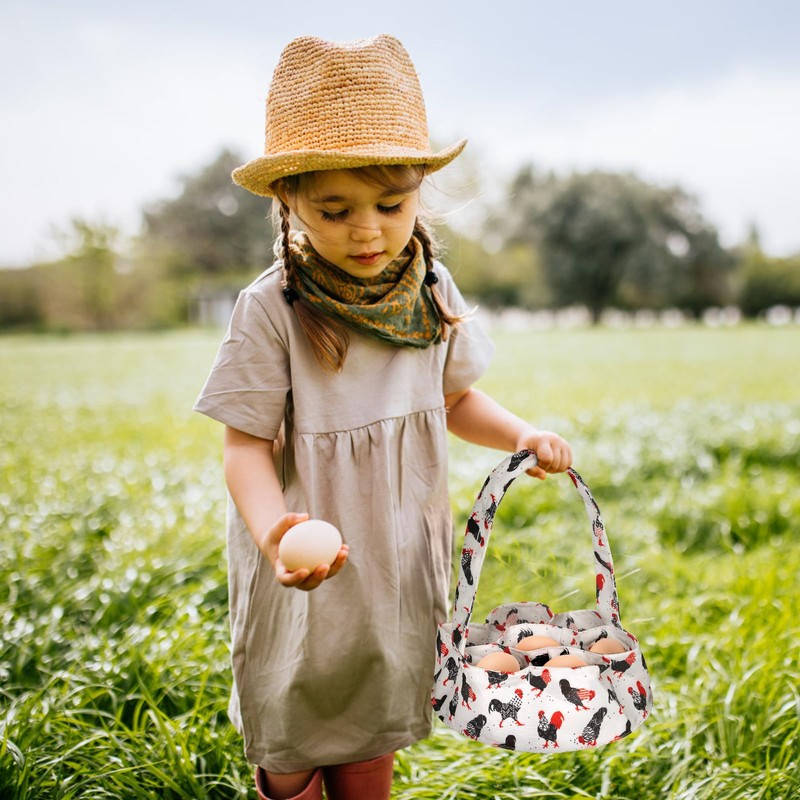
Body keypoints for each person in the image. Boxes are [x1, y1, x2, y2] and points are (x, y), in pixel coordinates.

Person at [194, 34, 572, 800]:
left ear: (416, 195)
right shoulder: (271, 308)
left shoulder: (431, 288)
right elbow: (244, 449)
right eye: (335, 211)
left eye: (390, 205)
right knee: (295, 729)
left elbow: (455, 399)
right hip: (299, 563)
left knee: (373, 731)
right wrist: (275, 534)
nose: (367, 230)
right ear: (289, 200)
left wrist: (523, 435)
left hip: (396, 558)